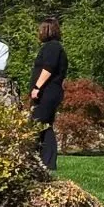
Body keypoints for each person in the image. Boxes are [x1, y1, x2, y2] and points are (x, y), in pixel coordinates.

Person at [29, 16, 68, 171]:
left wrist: (37, 87)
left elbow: (48, 68)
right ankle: (47, 162)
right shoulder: (54, 47)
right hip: (51, 92)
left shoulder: (52, 47)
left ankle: (42, 160)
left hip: (47, 92)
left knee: (38, 124)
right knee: (45, 126)